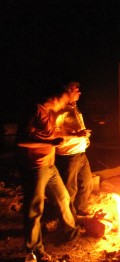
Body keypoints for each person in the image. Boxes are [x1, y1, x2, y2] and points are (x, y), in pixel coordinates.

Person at [18, 88, 80, 262]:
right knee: (35, 209)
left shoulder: (50, 113)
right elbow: (21, 141)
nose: (65, 103)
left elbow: (53, 134)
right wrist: (49, 142)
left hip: (51, 167)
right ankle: (34, 250)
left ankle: (71, 231)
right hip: (37, 168)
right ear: (55, 97)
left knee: (64, 197)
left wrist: (73, 135)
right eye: (64, 99)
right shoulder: (35, 111)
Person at [55, 82, 93, 217]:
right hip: (69, 154)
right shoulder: (61, 110)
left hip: (81, 153)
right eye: (77, 90)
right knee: (70, 188)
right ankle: (68, 217)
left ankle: (81, 209)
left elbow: (77, 128)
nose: (80, 92)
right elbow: (55, 133)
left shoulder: (75, 108)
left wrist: (84, 138)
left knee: (87, 183)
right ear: (69, 91)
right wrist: (76, 135)